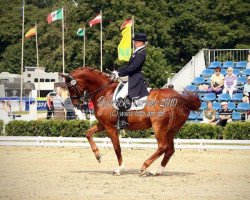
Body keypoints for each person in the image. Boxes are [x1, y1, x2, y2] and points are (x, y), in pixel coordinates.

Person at [112, 32, 149, 129]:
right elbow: (128, 66)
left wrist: (119, 74)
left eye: (137, 41)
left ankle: (123, 121)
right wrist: (117, 71)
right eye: (135, 41)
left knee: (119, 96)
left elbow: (132, 68)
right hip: (132, 77)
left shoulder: (141, 53)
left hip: (135, 78)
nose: (135, 43)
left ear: (142, 42)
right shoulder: (136, 52)